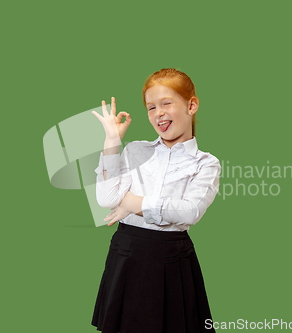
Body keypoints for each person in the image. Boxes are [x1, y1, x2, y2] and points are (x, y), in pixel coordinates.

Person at [91, 68, 220, 333]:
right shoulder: (135, 150)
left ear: (191, 105)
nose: (158, 113)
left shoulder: (206, 163)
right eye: (151, 107)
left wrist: (131, 204)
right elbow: (106, 198)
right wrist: (112, 142)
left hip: (172, 258)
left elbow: (189, 211)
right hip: (126, 254)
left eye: (166, 103)